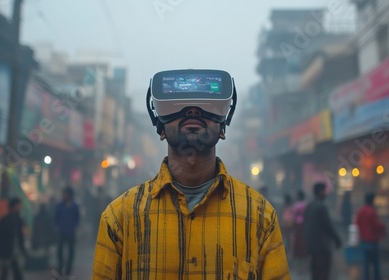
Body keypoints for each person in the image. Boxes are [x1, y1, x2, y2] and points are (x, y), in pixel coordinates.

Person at [92, 69, 290, 279]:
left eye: (206, 107)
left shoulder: (260, 217)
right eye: (178, 106)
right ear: (160, 127)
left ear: (224, 126)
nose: (193, 112)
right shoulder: (118, 218)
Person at [304, 182, 342, 280]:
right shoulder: (321, 207)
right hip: (322, 246)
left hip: (312, 246)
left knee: (315, 273)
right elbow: (327, 226)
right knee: (323, 273)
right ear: (320, 192)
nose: (326, 193)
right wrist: (337, 239)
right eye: (324, 191)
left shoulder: (309, 206)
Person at [0, 197, 28, 280]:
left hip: (14, 252)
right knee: (5, 273)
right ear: (14, 207)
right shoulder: (5, 220)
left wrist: (23, 250)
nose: (20, 208)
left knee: (16, 274)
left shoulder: (18, 220)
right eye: (18, 206)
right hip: (6, 252)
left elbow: (20, 237)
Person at [356, 192, 386, 280]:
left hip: (363, 241)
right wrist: (383, 226)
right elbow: (376, 225)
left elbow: (357, 223)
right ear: (372, 200)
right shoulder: (372, 212)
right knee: (376, 265)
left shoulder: (361, 210)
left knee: (365, 265)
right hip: (372, 242)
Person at [54, 186, 80, 277]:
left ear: (69, 194)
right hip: (61, 232)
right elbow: (55, 217)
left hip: (71, 232)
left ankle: (68, 270)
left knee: (71, 252)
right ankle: (60, 268)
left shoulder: (75, 206)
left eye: (64, 193)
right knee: (60, 251)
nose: (63, 195)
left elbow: (77, 218)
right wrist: (57, 227)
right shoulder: (59, 205)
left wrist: (74, 227)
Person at [292, 190, 308, 260]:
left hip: (297, 224)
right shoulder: (305, 204)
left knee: (297, 239)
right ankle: (303, 254)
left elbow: (294, 215)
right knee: (303, 239)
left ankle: (297, 254)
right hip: (304, 224)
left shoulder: (296, 205)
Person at [281, 194, 294, 259]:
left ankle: (287, 253)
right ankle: (287, 252)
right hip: (288, 224)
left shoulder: (286, 206)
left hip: (287, 224)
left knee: (287, 239)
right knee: (288, 239)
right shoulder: (290, 206)